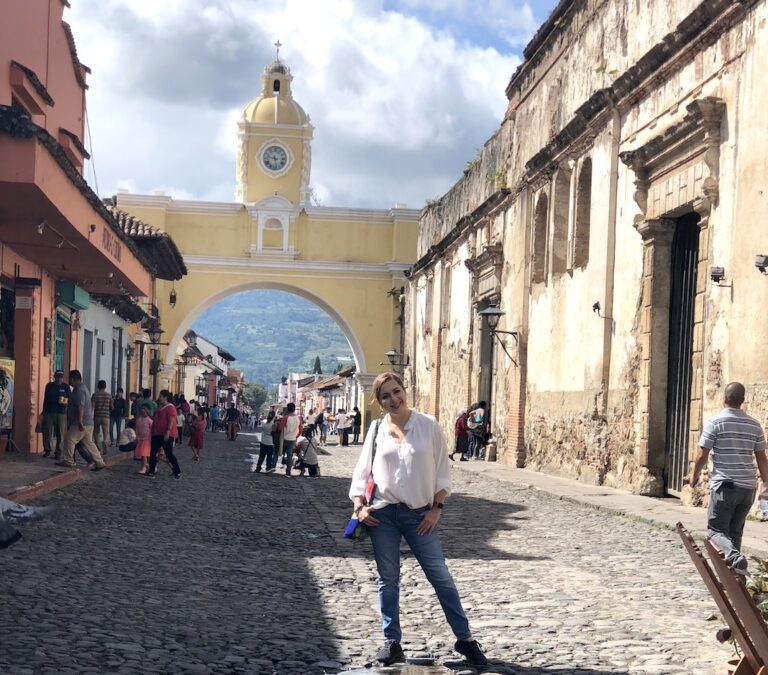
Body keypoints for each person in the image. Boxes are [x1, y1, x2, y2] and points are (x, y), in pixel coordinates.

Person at [349, 372, 487, 667]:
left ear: (405, 390)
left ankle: (465, 640)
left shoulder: (428, 425)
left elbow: (442, 473)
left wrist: (437, 508)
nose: (393, 399)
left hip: (420, 514)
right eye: (385, 396)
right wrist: (359, 507)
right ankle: (392, 642)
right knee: (387, 579)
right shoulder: (376, 430)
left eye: (396, 391)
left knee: (440, 576)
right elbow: (362, 474)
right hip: (383, 515)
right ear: (379, 401)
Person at [690, 381, 768, 572]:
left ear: (724, 399)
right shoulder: (755, 425)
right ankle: (737, 577)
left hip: (725, 486)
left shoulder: (715, 422)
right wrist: (766, 482)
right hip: (747, 489)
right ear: (743, 400)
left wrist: (694, 476)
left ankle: (734, 558)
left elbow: (702, 454)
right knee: (735, 533)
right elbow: (762, 458)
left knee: (716, 531)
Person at [56, 370, 106, 471]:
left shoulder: (79, 390)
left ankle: (68, 460)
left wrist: (80, 421)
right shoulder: (82, 388)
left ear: (73, 379)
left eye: (69, 378)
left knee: (70, 439)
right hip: (88, 422)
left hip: (80, 422)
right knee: (89, 443)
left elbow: (80, 406)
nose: (68, 380)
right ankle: (100, 462)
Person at [143, 390, 181, 479]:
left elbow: (171, 420)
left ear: (165, 397)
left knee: (169, 454)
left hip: (166, 434)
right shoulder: (159, 407)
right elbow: (154, 417)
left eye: (160, 396)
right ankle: (151, 472)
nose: (159, 398)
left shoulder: (170, 407)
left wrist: (168, 431)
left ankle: (177, 471)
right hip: (157, 433)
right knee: (153, 452)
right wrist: (147, 411)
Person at [41, 370, 70, 459]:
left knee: (60, 434)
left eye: (61, 377)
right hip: (49, 412)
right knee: (47, 432)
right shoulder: (49, 386)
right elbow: (45, 399)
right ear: (54, 377)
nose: (59, 379)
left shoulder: (66, 387)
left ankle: (58, 452)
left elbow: (69, 399)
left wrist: (64, 402)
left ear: (62, 378)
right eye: (57, 377)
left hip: (61, 412)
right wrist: (43, 411)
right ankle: (47, 450)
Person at [277, 402, 300, 476]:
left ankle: (272, 466)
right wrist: (296, 436)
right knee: (290, 456)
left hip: (284, 439)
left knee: (277, 452)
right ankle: (288, 471)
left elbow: (280, 428)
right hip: (293, 439)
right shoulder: (298, 418)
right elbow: (301, 429)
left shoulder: (286, 418)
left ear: (287, 409)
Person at [92, 380, 112, 456]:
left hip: (97, 416)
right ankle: (105, 447)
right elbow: (112, 407)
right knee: (105, 434)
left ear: (98, 386)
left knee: (96, 433)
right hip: (106, 417)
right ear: (105, 386)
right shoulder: (109, 396)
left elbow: (92, 406)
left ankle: (98, 448)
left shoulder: (94, 395)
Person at [134, 407, 152, 474]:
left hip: (147, 439)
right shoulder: (139, 420)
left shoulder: (149, 420)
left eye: (144, 412)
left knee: (144, 454)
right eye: (141, 412)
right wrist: (136, 437)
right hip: (140, 439)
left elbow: (152, 430)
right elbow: (137, 429)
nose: (143, 413)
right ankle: (147, 466)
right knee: (143, 454)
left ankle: (144, 467)